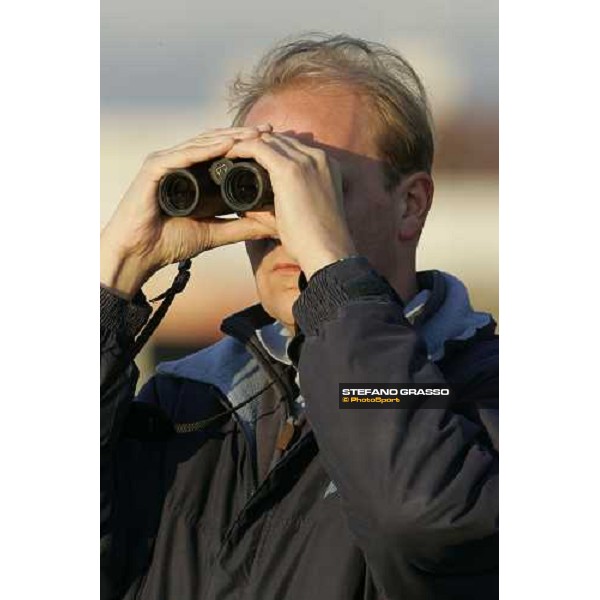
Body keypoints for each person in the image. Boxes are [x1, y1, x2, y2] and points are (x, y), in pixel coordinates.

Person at [100, 34, 498, 600]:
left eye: (316, 185)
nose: (286, 222)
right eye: (264, 184)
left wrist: (334, 282)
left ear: (410, 204)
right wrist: (112, 276)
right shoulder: (188, 402)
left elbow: (419, 522)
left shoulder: (482, 393)